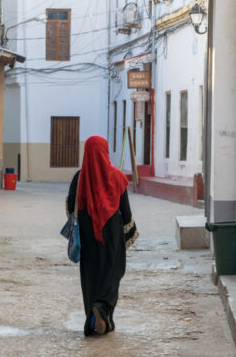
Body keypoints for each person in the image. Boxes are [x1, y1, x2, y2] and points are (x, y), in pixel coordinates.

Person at [66, 135, 138, 336]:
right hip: (112, 234)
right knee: (113, 272)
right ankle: (103, 308)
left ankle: (93, 319)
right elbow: (125, 210)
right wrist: (128, 235)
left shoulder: (79, 178)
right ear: (105, 152)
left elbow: (71, 208)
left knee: (91, 276)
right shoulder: (116, 176)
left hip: (88, 236)